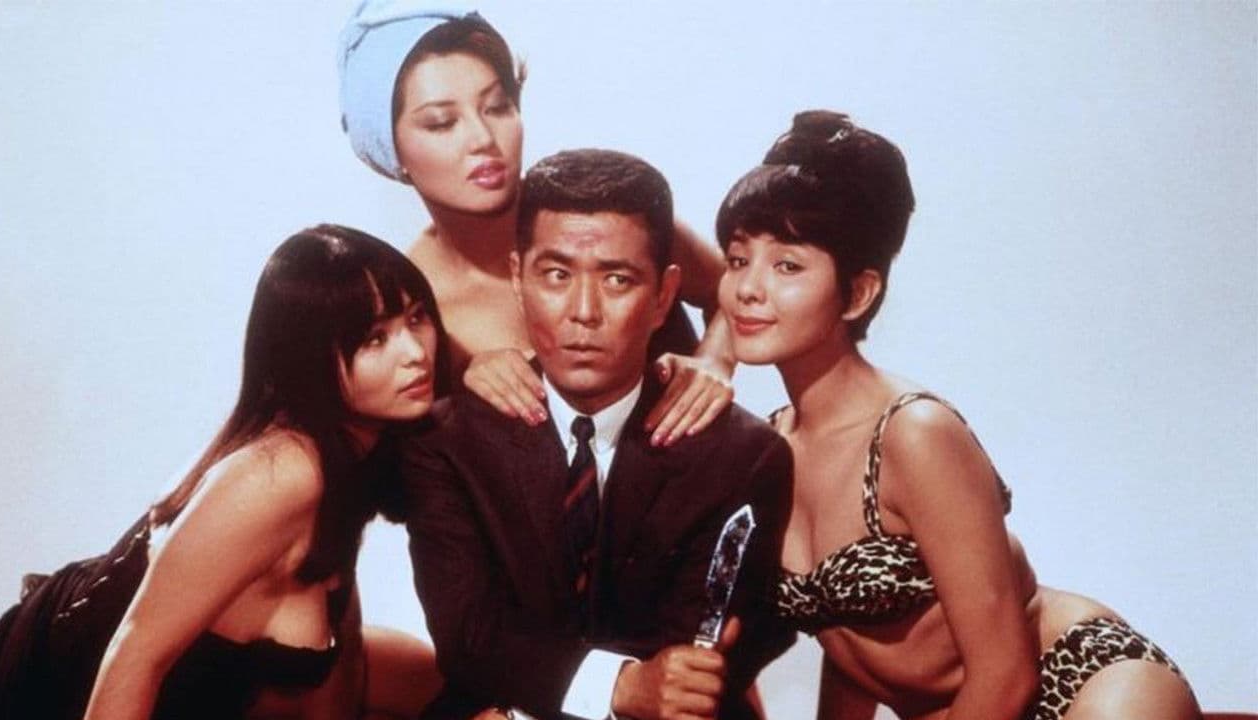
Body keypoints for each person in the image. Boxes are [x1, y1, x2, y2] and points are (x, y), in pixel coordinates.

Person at [715, 111, 1200, 720]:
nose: (749, 288)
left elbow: (1005, 673)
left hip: (1079, 687)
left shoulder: (913, 433)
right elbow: (849, 643)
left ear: (858, 293)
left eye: (787, 266)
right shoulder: (771, 447)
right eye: (738, 260)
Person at [379, 149, 793, 720]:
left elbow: (693, 668)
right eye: (556, 275)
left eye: (617, 279)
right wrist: (622, 685)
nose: (583, 312)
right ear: (518, 280)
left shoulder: (745, 456)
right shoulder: (445, 444)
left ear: (663, 296)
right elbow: (470, 637)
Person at [0, 226, 445, 719]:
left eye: (417, 318)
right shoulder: (282, 473)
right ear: (308, 356)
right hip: (34, 689)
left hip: (200, 685)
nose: (415, 353)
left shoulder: (355, 450)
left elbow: (339, 633)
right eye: (375, 339)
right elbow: (134, 656)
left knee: (444, 687)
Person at [337, 1, 735, 446]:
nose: (483, 139)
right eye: (442, 123)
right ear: (390, 149)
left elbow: (734, 288)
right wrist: (466, 384)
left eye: (497, 107)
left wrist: (714, 361)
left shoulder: (606, 213)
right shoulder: (416, 305)